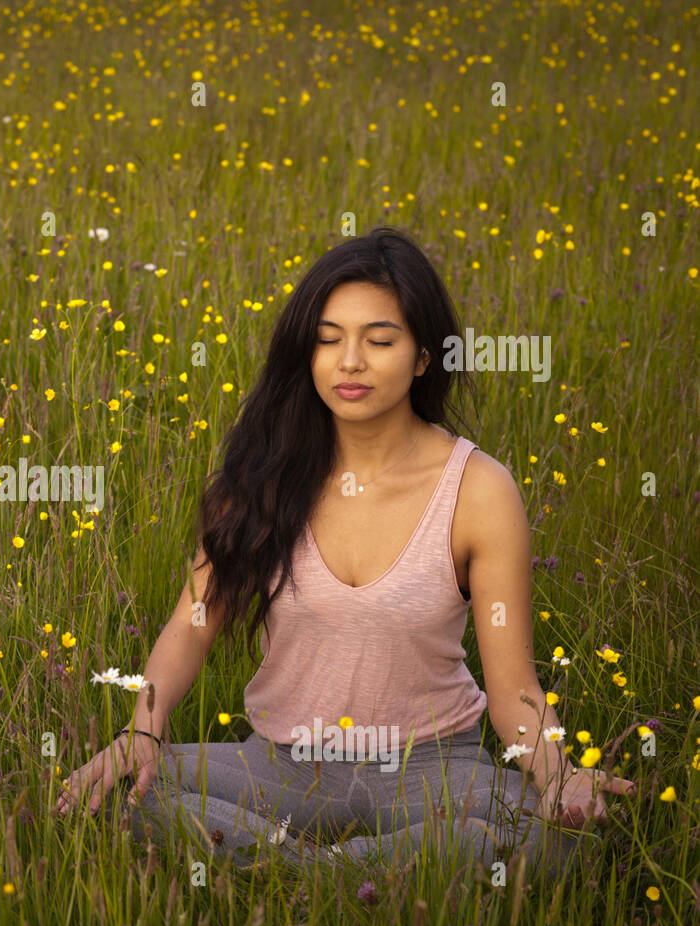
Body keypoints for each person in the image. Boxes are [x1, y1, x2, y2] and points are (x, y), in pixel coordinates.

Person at [53, 226, 634, 881]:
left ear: (421, 357)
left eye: (379, 340)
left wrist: (558, 780)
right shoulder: (260, 476)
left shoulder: (478, 490)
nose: (350, 361)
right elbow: (191, 627)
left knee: (567, 845)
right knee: (110, 792)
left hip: (432, 768)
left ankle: (285, 873)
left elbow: (515, 690)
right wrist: (141, 730)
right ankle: (346, 877)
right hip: (281, 765)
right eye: (329, 341)